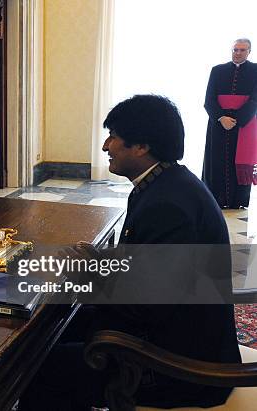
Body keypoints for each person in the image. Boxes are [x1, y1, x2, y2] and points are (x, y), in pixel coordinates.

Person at [21, 95, 240, 410]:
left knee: (40, 367)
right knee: (51, 332)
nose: (105, 145)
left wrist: (91, 273)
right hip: (170, 333)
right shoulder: (165, 183)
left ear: (141, 147)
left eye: (113, 137)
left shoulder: (168, 205)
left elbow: (148, 306)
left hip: (178, 368)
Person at [203, 38, 257, 208]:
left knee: (238, 163)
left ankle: (238, 201)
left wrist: (238, 119)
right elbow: (209, 100)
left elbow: (255, 100)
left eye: (242, 50)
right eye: (235, 49)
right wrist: (221, 118)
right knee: (216, 161)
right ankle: (215, 200)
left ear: (249, 52)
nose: (238, 53)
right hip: (218, 124)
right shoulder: (217, 70)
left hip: (243, 126)